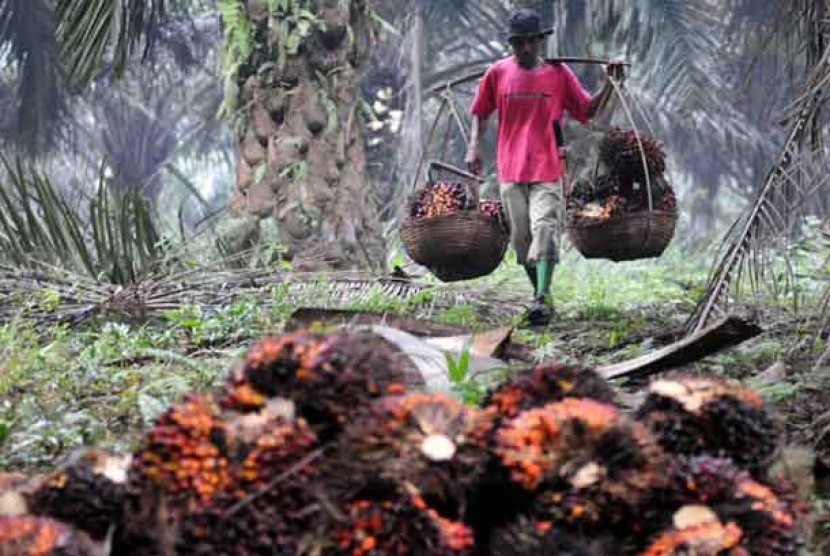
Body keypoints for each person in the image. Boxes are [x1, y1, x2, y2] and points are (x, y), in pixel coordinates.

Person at [465, 8, 624, 326]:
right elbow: (480, 112)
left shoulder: (558, 73)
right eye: (518, 43)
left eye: (530, 42)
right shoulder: (497, 73)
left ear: (540, 42)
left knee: (545, 228)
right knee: (521, 241)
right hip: (511, 167)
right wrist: (473, 146)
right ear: (511, 44)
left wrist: (611, 83)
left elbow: (587, 110)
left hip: (548, 166)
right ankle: (541, 296)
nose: (524, 49)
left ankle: (540, 297)